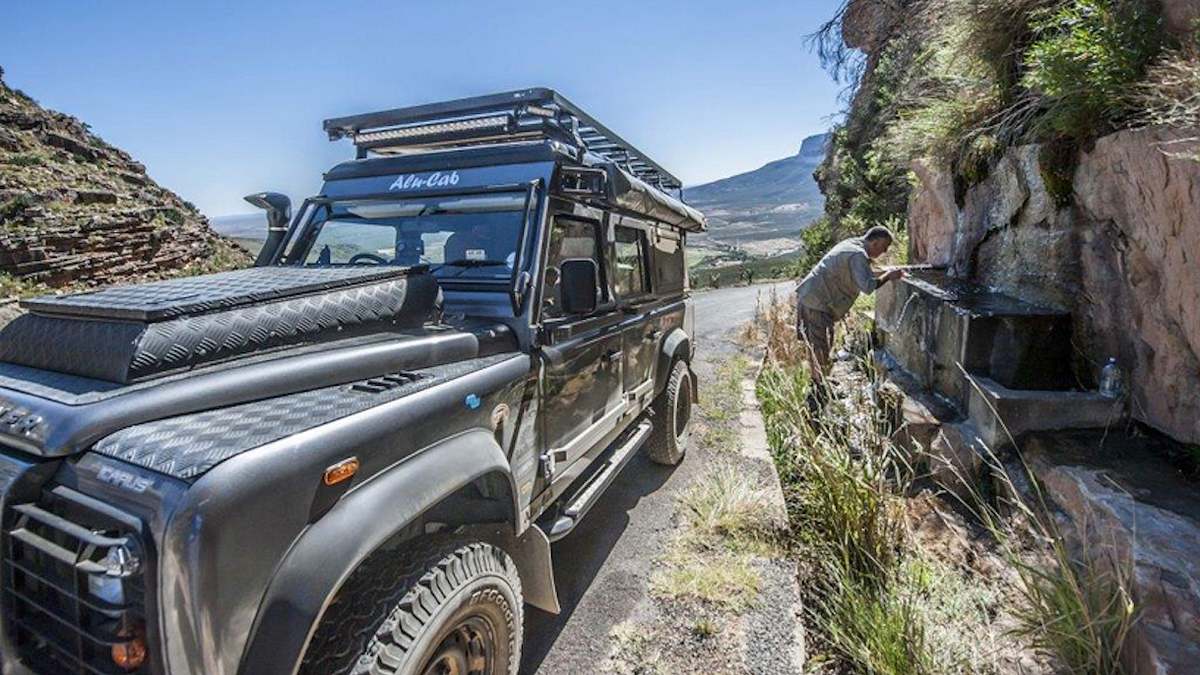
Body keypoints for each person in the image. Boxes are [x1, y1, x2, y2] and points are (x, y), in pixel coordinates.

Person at [795, 225, 905, 382]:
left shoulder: (852, 244)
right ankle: (819, 386)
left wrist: (886, 272)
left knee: (819, 343)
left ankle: (820, 379)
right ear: (875, 242)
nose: (885, 252)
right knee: (820, 345)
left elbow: (860, 273)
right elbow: (867, 286)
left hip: (811, 297)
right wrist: (888, 276)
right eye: (884, 247)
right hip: (817, 302)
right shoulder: (858, 254)